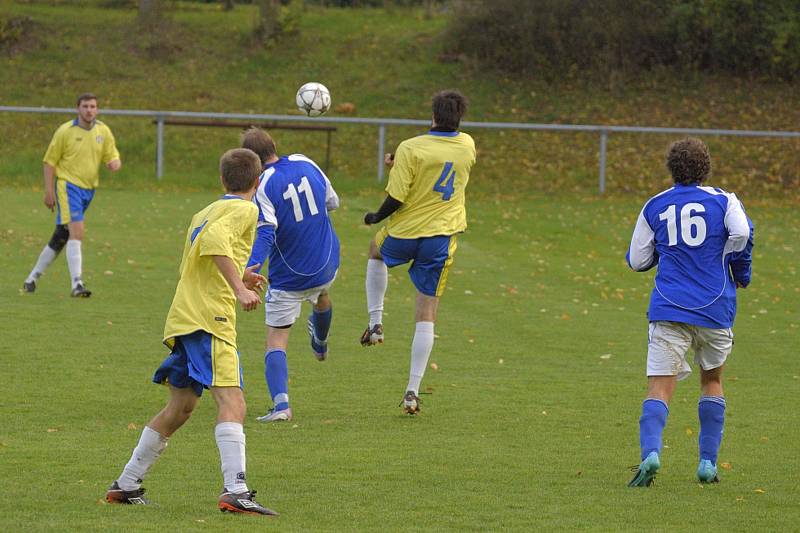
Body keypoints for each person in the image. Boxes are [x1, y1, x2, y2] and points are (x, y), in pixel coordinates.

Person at [106, 148, 277, 516]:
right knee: (234, 402)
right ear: (258, 181)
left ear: (221, 180)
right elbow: (216, 244)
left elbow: (205, 253)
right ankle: (236, 490)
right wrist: (239, 288)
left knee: (181, 406)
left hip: (185, 316)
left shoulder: (208, 210)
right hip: (209, 318)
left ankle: (127, 483)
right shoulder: (246, 209)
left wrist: (241, 274)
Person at [626, 138, 754, 487]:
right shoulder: (725, 200)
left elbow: (637, 260)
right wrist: (736, 268)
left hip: (669, 306)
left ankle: (650, 455)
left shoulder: (655, 205)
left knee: (659, 387)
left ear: (671, 169)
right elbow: (742, 233)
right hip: (715, 307)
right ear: (705, 167)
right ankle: (707, 464)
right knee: (712, 380)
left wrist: (663, 253)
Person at [361, 90, 476, 415]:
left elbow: (397, 196)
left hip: (405, 232)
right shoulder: (467, 144)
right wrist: (402, 163)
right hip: (441, 238)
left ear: (433, 115)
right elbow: (441, 164)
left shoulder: (410, 147)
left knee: (375, 251)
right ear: (459, 117)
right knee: (427, 311)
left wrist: (375, 217)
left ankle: (376, 323)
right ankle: (412, 391)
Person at [240, 128, 340, 423]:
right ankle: (320, 342)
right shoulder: (305, 162)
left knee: (276, 341)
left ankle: (281, 406)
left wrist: (252, 267)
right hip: (328, 262)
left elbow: (266, 231)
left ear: (253, 163)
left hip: (290, 277)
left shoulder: (264, 185)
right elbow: (332, 202)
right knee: (321, 294)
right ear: (274, 147)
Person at [23, 92, 121, 297]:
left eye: (93, 106)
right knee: (77, 231)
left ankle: (32, 278)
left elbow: (111, 155)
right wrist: (49, 191)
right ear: (78, 108)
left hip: (89, 189)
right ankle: (77, 283)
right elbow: (49, 162)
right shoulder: (65, 131)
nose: (89, 110)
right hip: (68, 187)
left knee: (62, 235)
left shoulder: (103, 131)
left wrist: (114, 163)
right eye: (85, 106)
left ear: (97, 109)